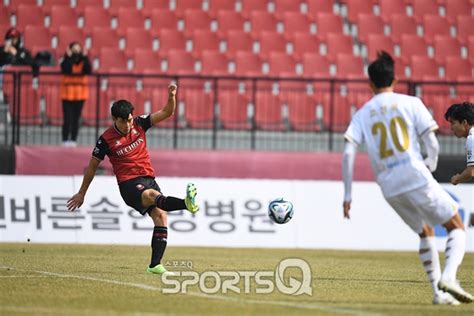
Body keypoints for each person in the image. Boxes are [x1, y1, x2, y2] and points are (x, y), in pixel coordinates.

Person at [342, 51, 473, 305]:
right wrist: (430, 165)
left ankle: (439, 294)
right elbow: (431, 142)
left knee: (424, 231)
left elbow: (348, 154)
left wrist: (347, 196)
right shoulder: (411, 103)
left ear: (370, 84)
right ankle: (449, 278)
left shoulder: (362, 113)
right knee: (456, 226)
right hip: (414, 174)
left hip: (388, 186)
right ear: (396, 79)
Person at [67, 83, 200, 275]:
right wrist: (81, 193)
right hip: (129, 185)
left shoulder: (140, 123)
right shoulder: (105, 139)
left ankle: (155, 265)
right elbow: (92, 168)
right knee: (154, 196)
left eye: (130, 120)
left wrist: (171, 96)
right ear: (115, 119)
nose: (129, 125)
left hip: (148, 177)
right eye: (125, 122)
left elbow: (167, 112)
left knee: (161, 216)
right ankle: (187, 204)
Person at [60, 42, 91, 147]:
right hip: (67, 94)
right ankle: (64, 140)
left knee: (76, 118)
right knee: (67, 118)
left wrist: (86, 57)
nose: (76, 51)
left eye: (78, 48)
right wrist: (68, 57)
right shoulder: (65, 60)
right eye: (74, 48)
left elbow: (88, 70)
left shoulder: (84, 60)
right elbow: (66, 69)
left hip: (80, 95)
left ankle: (73, 139)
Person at [444, 102, 474, 185]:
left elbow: (471, 171)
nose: (451, 128)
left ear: (464, 122)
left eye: (453, 123)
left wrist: (457, 179)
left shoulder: (472, 138)